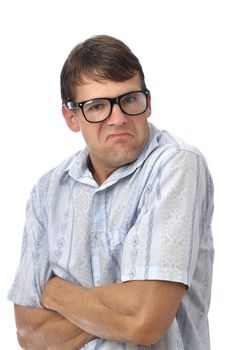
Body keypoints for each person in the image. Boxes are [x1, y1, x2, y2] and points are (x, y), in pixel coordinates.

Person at [8, 34, 214, 350]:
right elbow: (30, 333)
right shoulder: (47, 192)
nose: (117, 119)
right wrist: (121, 307)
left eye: (129, 99)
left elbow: (145, 322)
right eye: (97, 106)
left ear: (148, 102)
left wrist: (55, 293)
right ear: (71, 117)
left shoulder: (175, 165)